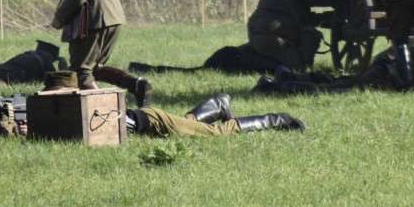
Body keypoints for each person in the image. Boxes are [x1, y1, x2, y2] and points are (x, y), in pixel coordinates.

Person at [253, 25, 414, 94]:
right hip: (382, 81)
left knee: (338, 82)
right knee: (335, 91)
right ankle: (281, 86)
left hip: (381, 71)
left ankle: (288, 77)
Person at [245, 0, 352, 71]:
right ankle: (251, 63)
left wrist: (329, 16)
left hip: (259, 32)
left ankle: (251, 60)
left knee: (285, 66)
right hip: (273, 37)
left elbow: (298, 16)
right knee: (297, 69)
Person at [128, 92, 305, 137]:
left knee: (217, 133)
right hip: (148, 127)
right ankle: (218, 105)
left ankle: (279, 120)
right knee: (187, 126)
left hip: (150, 122)